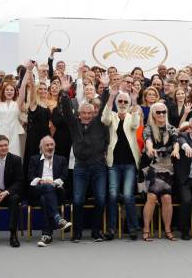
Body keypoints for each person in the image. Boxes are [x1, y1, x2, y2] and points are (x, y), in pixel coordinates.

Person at [60, 85, 109, 242]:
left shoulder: (99, 122)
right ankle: (77, 232)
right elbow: (67, 111)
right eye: (84, 113)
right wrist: (65, 92)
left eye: (89, 113)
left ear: (93, 113)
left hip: (98, 166)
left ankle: (96, 231)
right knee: (78, 200)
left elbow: (105, 105)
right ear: (79, 114)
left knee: (101, 199)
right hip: (80, 167)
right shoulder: (74, 124)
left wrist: (106, 89)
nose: (87, 115)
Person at [101, 86, 141, 240]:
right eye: (121, 101)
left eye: (126, 101)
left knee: (128, 196)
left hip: (130, 163)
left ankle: (132, 228)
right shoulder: (111, 115)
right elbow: (104, 119)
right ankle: (111, 229)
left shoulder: (132, 115)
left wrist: (135, 101)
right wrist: (111, 97)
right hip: (114, 163)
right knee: (112, 195)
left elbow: (135, 125)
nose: (123, 103)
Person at [140, 102, 181, 241]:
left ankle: (168, 230)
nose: (162, 114)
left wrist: (176, 150)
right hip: (152, 167)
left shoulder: (171, 128)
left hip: (168, 168)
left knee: (167, 198)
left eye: (163, 111)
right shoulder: (148, 128)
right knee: (151, 197)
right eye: (158, 112)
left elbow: (176, 141)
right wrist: (150, 148)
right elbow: (148, 141)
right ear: (153, 114)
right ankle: (146, 229)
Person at [28, 136, 72, 247]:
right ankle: (58, 219)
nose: (50, 147)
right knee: (46, 189)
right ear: (41, 147)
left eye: (52, 145)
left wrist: (53, 183)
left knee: (45, 198)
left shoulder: (61, 159)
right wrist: (41, 181)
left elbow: (64, 177)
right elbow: (30, 177)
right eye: (47, 145)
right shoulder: (34, 159)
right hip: (37, 190)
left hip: (56, 191)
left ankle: (47, 235)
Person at [0, 62, 25, 157]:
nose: (9, 91)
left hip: (14, 133)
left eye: (11, 90)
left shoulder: (17, 103)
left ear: (15, 92)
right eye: (7, 90)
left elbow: (23, 87)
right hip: (1, 132)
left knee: (14, 157)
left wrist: (28, 71)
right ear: (3, 92)